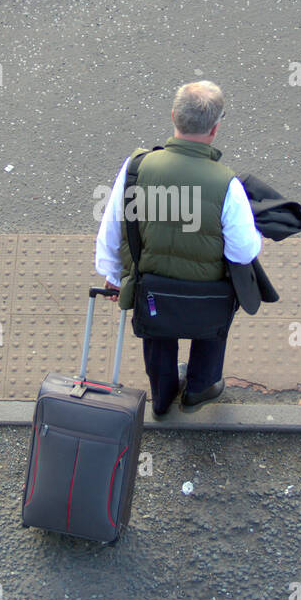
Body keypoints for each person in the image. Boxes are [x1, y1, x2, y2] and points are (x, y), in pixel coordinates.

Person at [95, 81, 263, 417]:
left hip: (151, 287)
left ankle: (161, 396)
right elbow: (243, 252)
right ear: (215, 129)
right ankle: (201, 388)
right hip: (207, 292)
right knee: (213, 328)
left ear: (173, 116)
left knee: (157, 335)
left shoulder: (137, 168)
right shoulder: (227, 183)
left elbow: (113, 226)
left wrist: (112, 276)